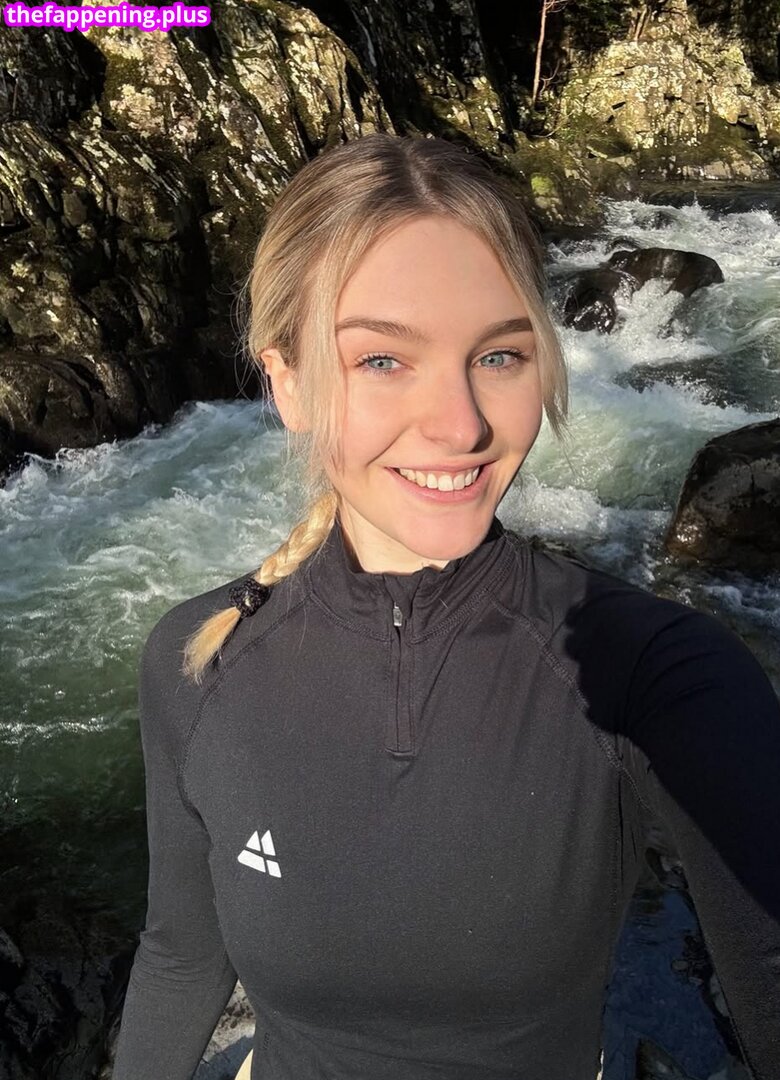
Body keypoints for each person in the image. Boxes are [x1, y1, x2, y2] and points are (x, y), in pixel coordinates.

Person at [111, 133, 780, 1080]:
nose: (462, 425)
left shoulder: (652, 673)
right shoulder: (199, 660)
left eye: (500, 355)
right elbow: (181, 955)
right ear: (289, 383)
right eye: (384, 360)